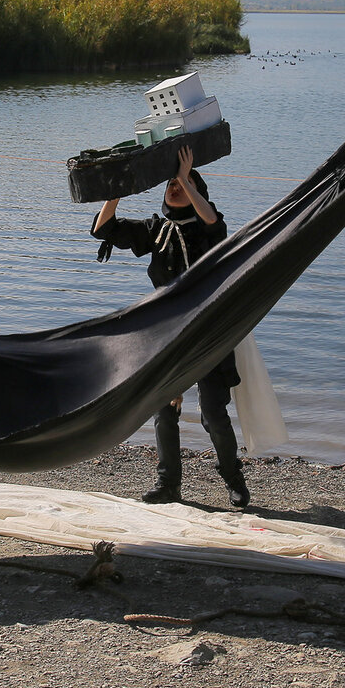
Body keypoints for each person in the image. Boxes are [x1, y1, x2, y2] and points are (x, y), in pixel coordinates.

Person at [91, 145, 250, 508]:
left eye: (184, 183)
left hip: (207, 331)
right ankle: (168, 485)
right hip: (165, 334)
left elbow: (214, 222)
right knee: (164, 408)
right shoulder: (154, 229)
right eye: (171, 185)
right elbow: (103, 229)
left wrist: (186, 177)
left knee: (213, 412)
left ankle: (233, 479)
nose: (175, 187)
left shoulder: (210, 230)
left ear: (197, 190)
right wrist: (114, 194)